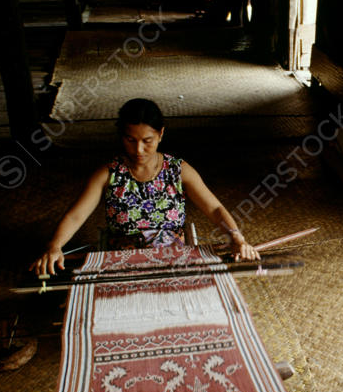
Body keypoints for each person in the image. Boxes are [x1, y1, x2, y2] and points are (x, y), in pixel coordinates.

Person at [30, 99, 259, 276]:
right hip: (123, 263)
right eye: (130, 140)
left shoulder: (179, 170)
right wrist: (55, 245)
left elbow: (215, 209)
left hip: (173, 259)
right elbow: (76, 216)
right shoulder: (108, 174)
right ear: (122, 137)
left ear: (160, 134)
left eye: (147, 140)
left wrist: (237, 238)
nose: (138, 149)